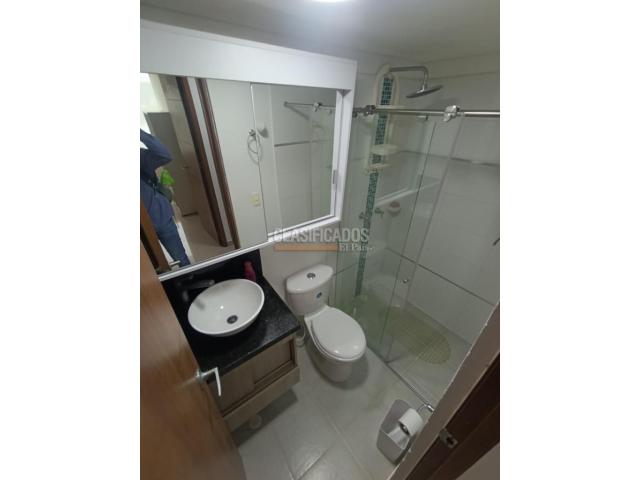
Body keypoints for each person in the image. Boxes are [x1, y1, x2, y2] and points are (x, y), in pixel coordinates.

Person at [140, 129, 190, 267]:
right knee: (149, 268)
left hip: (161, 218)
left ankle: (191, 278)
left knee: (181, 258)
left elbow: (164, 155)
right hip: (141, 231)